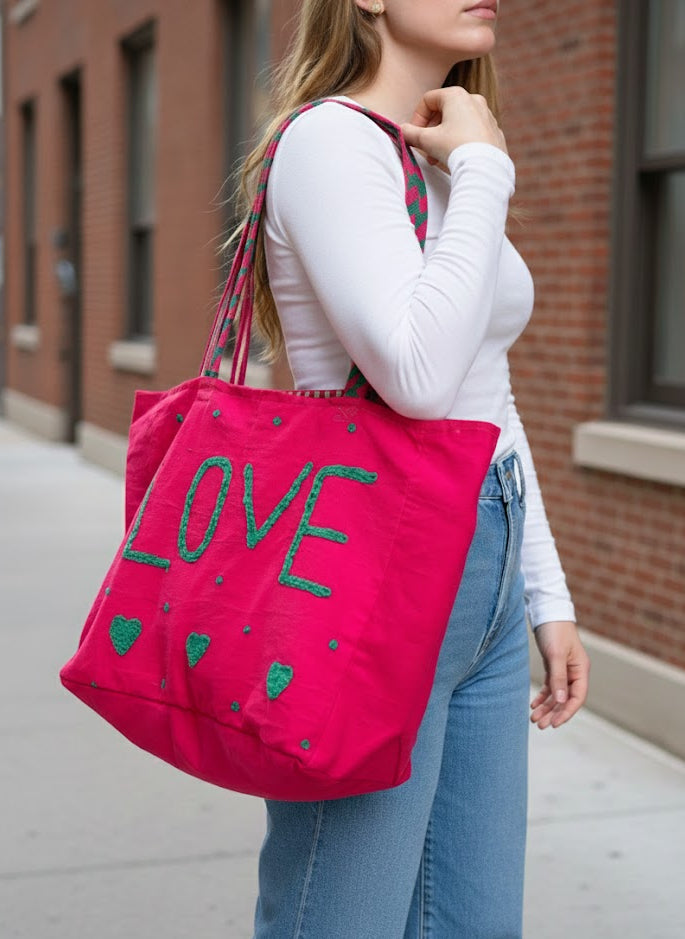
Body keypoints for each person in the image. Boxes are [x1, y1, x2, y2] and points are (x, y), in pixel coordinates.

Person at [228, 1, 591, 936]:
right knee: (339, 915)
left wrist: (544, 593)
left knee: (472, 920)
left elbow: (486, 390)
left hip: (486, 554)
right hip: (369, 558)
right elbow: (418, 378)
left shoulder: (439, 154)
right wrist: (483, 166)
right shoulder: (329, 144)